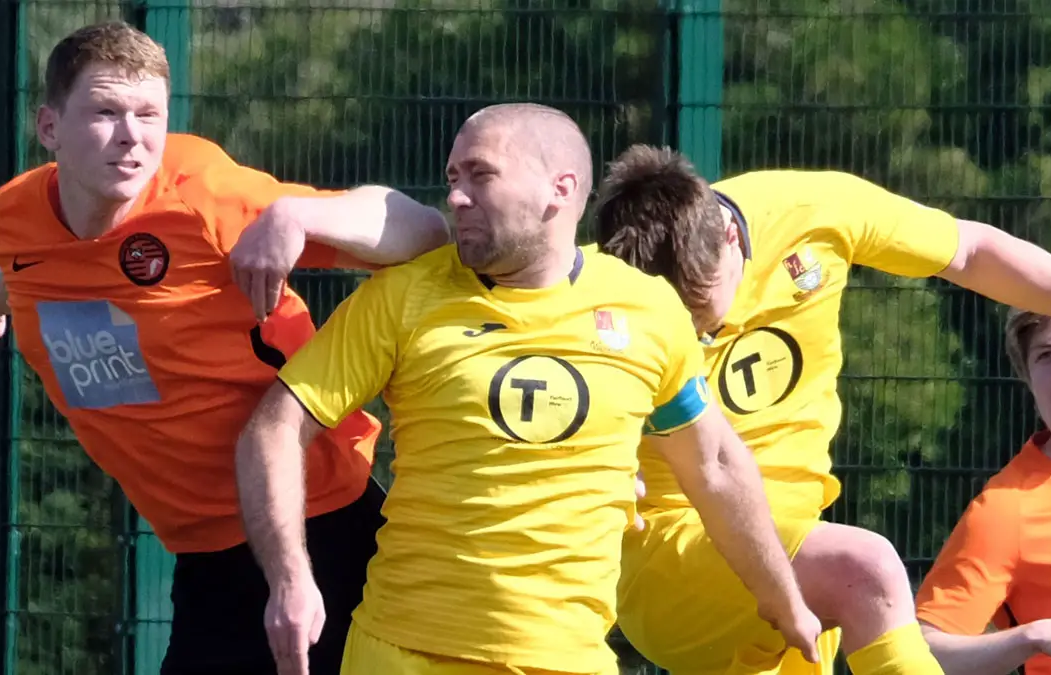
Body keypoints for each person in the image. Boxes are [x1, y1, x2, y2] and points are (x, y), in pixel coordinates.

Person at [234, 102, 822, 675]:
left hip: (566, 656)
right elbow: (276, 427)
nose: (456, 196)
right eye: (453, 178)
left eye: (481, 174)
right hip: (403, 649)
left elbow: (714, 464)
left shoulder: (646, 308)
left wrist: (784, 601)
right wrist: (290, 578)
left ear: (559, 189)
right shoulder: (402, 298)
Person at [0, 21, 450, 675]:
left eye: (149, 114)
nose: (132, 136)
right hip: (204, 553)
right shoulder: (13, 216)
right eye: (105, 112)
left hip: (319, 528)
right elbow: (28, 266)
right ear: (49, 127)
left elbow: (421, 230)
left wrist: (296, 216)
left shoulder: (206, 198)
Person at [592, 145, 1051, 675]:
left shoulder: (813, 212)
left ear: (729, 236)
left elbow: (970, 252)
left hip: (798, 560)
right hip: (670, 556)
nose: (697, 337)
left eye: (703, 310)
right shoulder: (592, 289)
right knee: (866, 570)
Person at [914, 307, 1051, 675]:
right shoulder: (1007, 509)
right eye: (1046, 355)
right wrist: (1033, 637)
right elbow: (922, 652)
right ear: (1027, 377)